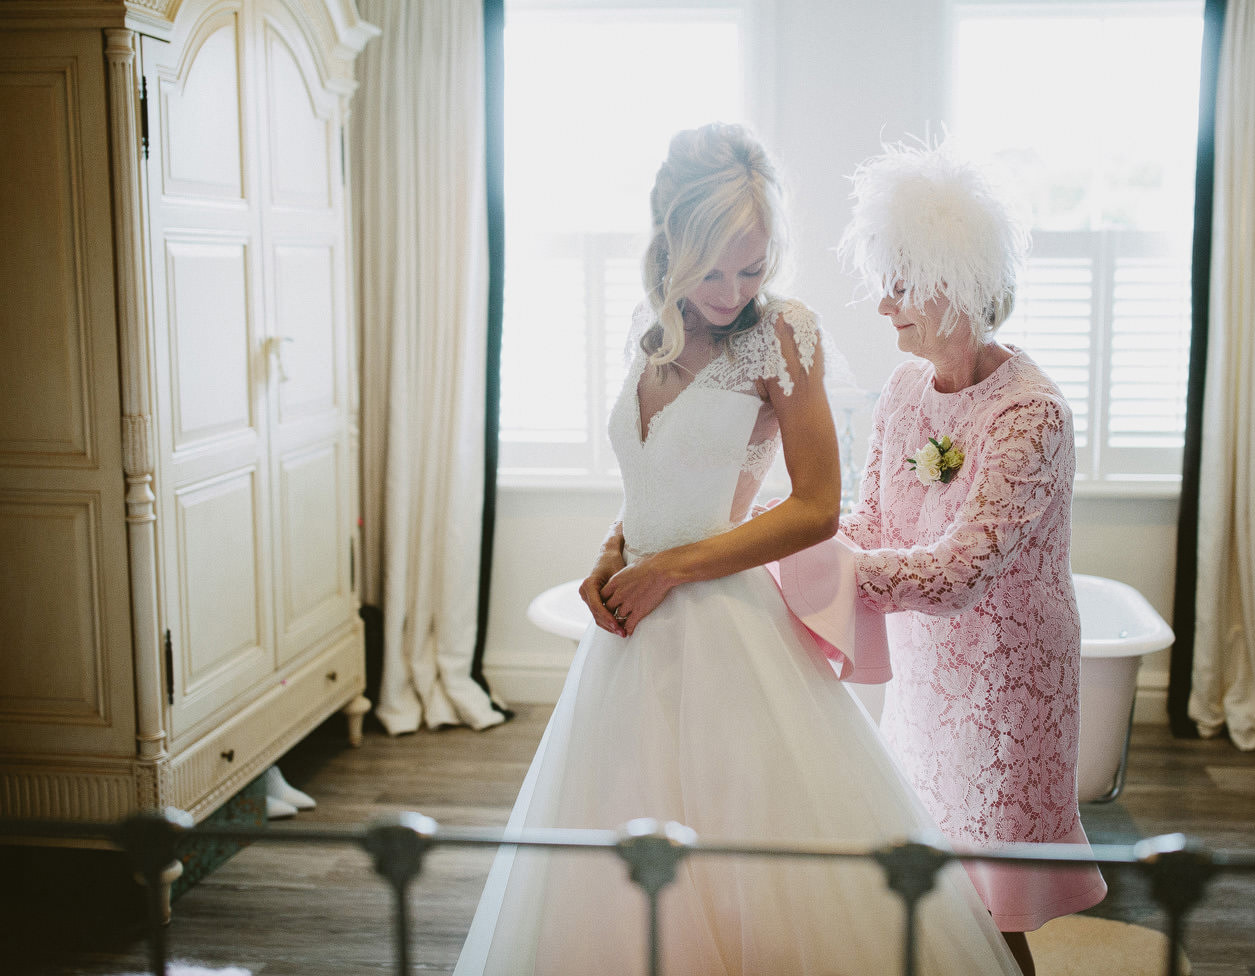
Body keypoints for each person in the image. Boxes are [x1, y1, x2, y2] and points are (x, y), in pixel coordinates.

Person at [455, 123, 1021, 976]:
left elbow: (817, 507)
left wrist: (669, 568)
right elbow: (653, 480)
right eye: (712, 269)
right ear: (668, 246)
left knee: (747, 851)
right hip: (630, 636)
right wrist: (613, 552)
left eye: (752, 267)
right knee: (617, 860)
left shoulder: (783, 335)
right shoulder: (651, 336)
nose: (731, 290)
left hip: (723, 622)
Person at [837, 138, 1108, 976]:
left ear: (954, 285)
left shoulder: (1032, 416)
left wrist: (833, 572)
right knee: (935, 887)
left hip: (1004, 684)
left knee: (996, 912)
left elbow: (960, 573)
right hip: (927, 675)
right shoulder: (905, 389)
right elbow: (877, 517)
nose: (884, 306)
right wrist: (798, 534)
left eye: (902, 284)